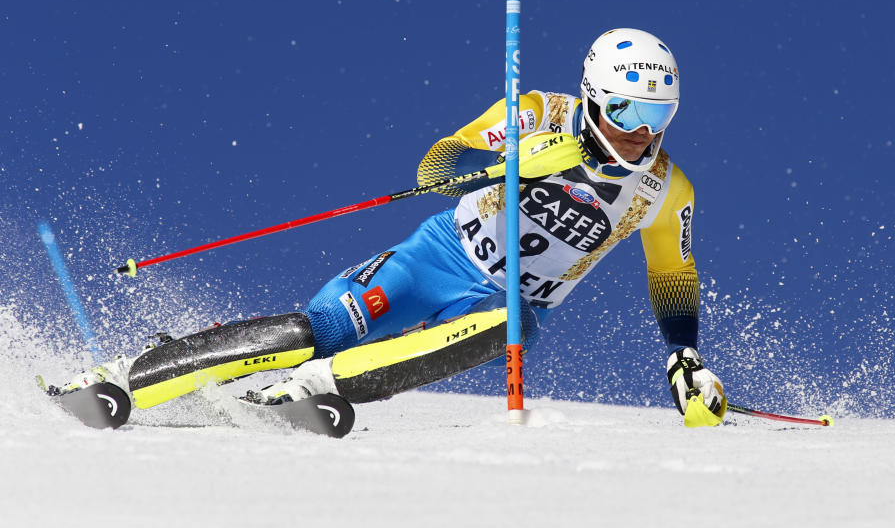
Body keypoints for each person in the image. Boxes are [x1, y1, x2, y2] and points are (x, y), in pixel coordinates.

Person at [59, 28, 727, 428]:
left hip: (504, 299)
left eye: (658, 114)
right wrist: (509, 164)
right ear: (591, 93)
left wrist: (685, 356)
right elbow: (437, 164)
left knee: (514, 325)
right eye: (627, 108)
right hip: (441, 254)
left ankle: (320, 389)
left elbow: (672, 272)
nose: (641, 131)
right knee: (312, 330)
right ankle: (127, 373)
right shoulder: (536, 114)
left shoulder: (666, 187)